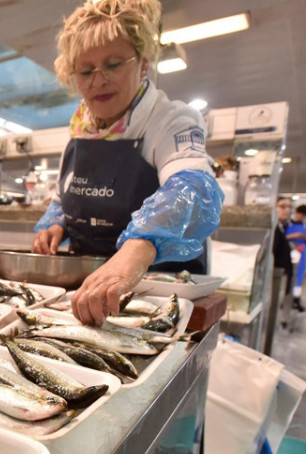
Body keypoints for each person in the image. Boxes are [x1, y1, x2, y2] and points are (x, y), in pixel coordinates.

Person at [31, 0, 223, 325]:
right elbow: (66, 198)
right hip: (85, 294)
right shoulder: (80, 129)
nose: (98, 80)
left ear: (143, 63)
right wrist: (55, 223)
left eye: (114, 64)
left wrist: (140, 246)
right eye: (86, 70)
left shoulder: (171, 120)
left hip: (155, 299)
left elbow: (194, 188)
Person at [286, 204, 306, 311]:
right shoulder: (287, 223)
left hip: (301, 253)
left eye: (304, 216)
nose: (302, 218)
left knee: (299, 276)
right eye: (301, 215)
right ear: (296, 213)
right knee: (287, 276)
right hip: (288, 251)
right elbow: (282, 238)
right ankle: (286, 298)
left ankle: (296, 298)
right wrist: (294, 236)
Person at [273, 199, 294, 320]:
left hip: (281, 273)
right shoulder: (274, 229)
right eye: (283, 206)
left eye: (289, 207)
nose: (287, 210)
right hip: (275, 274)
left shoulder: (281, 227)